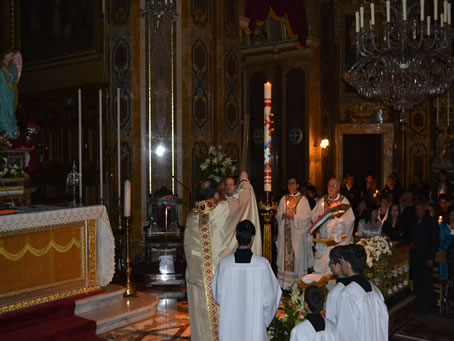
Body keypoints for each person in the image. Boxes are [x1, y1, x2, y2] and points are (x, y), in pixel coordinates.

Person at [184, 172, 262, 341]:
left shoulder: (191, 217)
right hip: (219, 278)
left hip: (197, 278)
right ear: (216, 194)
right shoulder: (222, 209)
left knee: (201, 319)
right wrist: (244, 180)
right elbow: (243, 199)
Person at [212, 220, 281, 341]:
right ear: (253, 238)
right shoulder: (262, 265)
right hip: (254, 328)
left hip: (230, 327)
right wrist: (263, 319)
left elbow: (218, 296)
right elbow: (271, 297)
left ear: (236, 237)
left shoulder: (224, 264)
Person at [334, 244, 389, 341]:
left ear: (348, 265)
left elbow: (344, 333)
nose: (340, 264)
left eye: (341, 261)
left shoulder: (347, 294)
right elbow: (384, 321)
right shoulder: (374, 289)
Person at [311, 178, 355, 273]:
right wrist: (319, 217)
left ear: (338, 188)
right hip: (324, 240)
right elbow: (313, 214)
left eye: (333, 186)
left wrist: (338, 220)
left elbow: (351, 219)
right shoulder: (323, 200)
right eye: (329, 186)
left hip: (336, 241)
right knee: (322, 269)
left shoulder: (344, 201)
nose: (330, 188)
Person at [276, 177, 313, 288]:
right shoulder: (283, 199)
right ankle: (285, 286)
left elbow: (307, 218)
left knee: (297, 261)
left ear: (297, 185)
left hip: (297, 237)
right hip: (285, 235)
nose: (290, 186)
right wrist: (282, 215)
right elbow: (278, 214)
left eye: (293, 183)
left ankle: (297, 286)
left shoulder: (303, 200)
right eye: (289, 184)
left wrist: (294, 217)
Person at [406, 201, 438, 313]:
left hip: (426, 257)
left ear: (424, 208)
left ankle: (428, 305)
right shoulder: (413, 221)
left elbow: (434, 241)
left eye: (419, 208)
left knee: (427, 281)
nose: (417, 211)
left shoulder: (431, 221)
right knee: (417, 281)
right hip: (415, 257)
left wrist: (431, 257)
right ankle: (418, 304)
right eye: (416, 209)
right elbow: (410, 237)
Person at [0, 50, 22, 139]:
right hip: (1, 93)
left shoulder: (12, 66)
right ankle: (3, 133)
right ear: (5, 54)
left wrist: (7, 73)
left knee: (10, 112)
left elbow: (13, 78)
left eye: (13, 56)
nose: (12, 58)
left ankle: (11, 134)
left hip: (9, 94)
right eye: (11, 55)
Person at [325, 245, 348, 324]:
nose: (330, 265)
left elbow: (330, 320)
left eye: (331, 262)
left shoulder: (335, 293)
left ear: (340, 264)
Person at [439, 207, 454, 280]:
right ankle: (444, 277)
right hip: (444, 247)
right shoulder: (444, 225)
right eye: (452, 215)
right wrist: (445, 245)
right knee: (443, 253)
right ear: (448, 215)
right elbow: (441, 238)